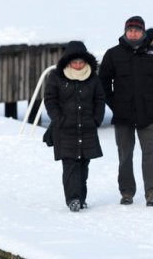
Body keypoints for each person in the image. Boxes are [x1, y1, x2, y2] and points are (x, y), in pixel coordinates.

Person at [99, 16, 153, 207]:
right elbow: (103, 82)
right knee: (125, 154)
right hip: (123, 114)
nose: (133, 33)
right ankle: (126, 192)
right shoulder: (112, 54)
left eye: (137, 30)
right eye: (130, 30)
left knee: (149, 152)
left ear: (143, 32)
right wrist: (114, 103)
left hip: (149, 114)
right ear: (125, 32)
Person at [44, 41, 105, 212]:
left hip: (87, 129)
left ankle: (81, 198)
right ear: (68, 61)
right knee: (70, 166)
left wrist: (96, 119)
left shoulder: (93, 77)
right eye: (74, 62)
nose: (78, 66)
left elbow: (100, 99)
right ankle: (73, 199)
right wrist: (58, 119)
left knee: (83, 166)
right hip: (65, 130)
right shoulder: (56, 76)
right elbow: (50, 99)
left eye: (81, 62)